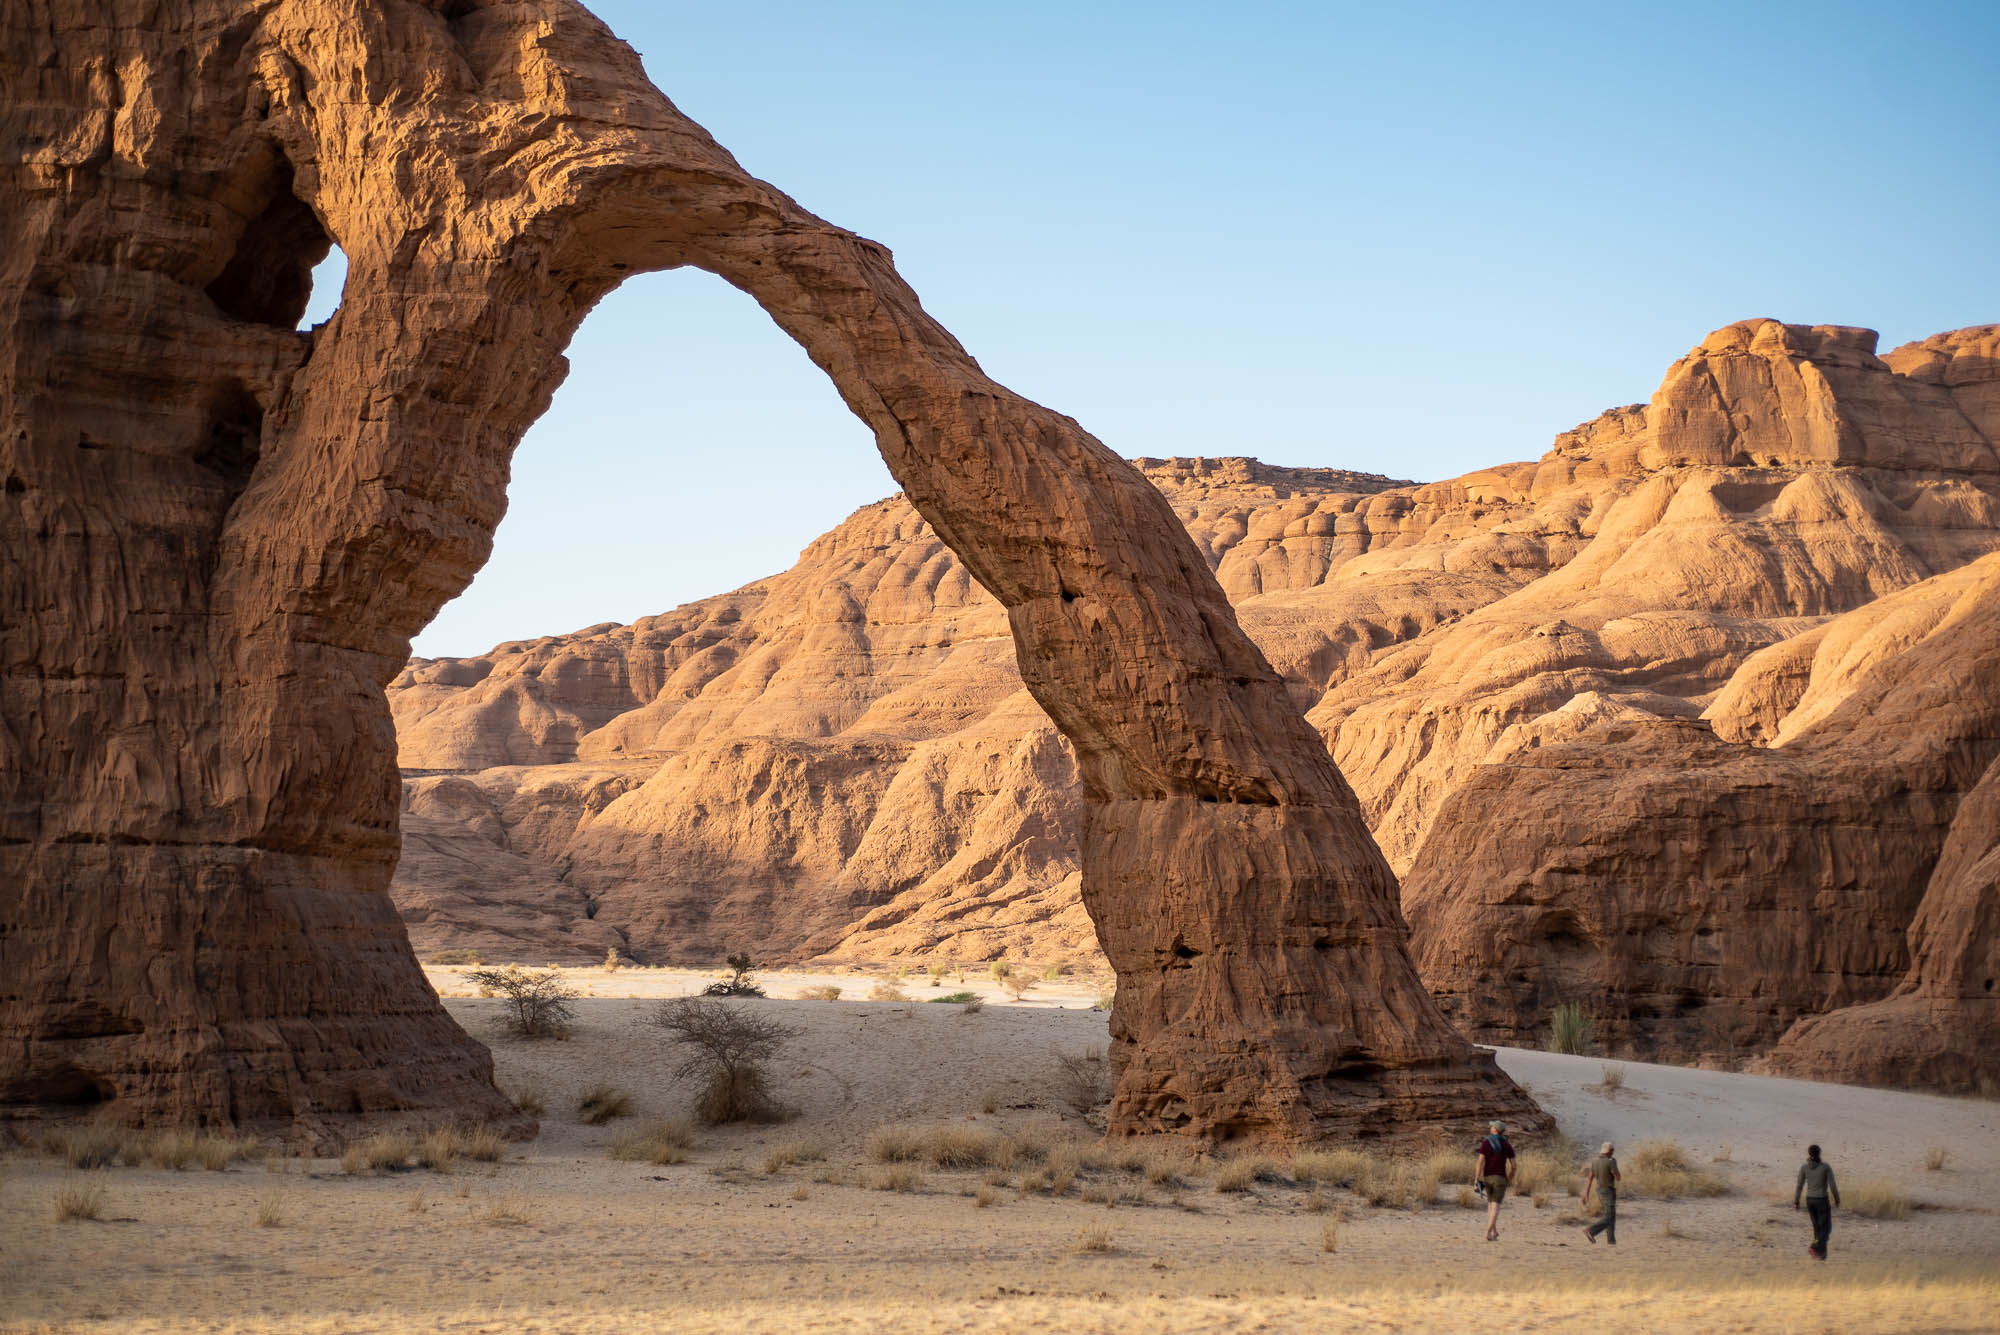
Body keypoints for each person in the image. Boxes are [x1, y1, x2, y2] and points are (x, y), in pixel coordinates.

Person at [1472, 1120, 1517, 1241]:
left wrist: (1476, 1179)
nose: (1490, 1127)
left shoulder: (1486, 1142)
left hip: (1487, 1177)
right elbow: (1514, 1165)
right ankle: (1488, 1232)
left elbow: (1480, 1163)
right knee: (1496, 1206)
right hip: (1500, 1178)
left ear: (1495, 1130)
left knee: (1490, 1204)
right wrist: (1511, 1176)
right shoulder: (1506, 1145)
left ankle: (1494, 1231)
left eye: (1491, 1126)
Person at [1794, 1143, 1841, 1259]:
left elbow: (1799, 1185)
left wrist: (1796, 1201)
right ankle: (1815, 1247)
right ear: (1819, 1153)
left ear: (1809, 1154)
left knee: (1817, 1227)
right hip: (1822, 1201)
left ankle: (1821, 1255)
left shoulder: (1804, 1167)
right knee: (1826, 1228)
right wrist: (1837, 1199)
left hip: (1810, 1200)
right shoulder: (1825, 1167)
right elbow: (1832, 1185)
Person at [1582, 1141, 1620, 1245]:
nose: (1613, 1152)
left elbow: (1589, 1179)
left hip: (1599, 1191)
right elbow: (1618, 1178)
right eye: (1612, 1151)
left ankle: (1611, 1241)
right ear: (1610, 1151)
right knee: (1609, 1216)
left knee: (1610, 1216)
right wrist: (1614, 1165)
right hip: (1608, 1191)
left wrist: (1586, 1195)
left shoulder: (1594, 1162)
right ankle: (1591, 1231)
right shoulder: (1611, 1161)